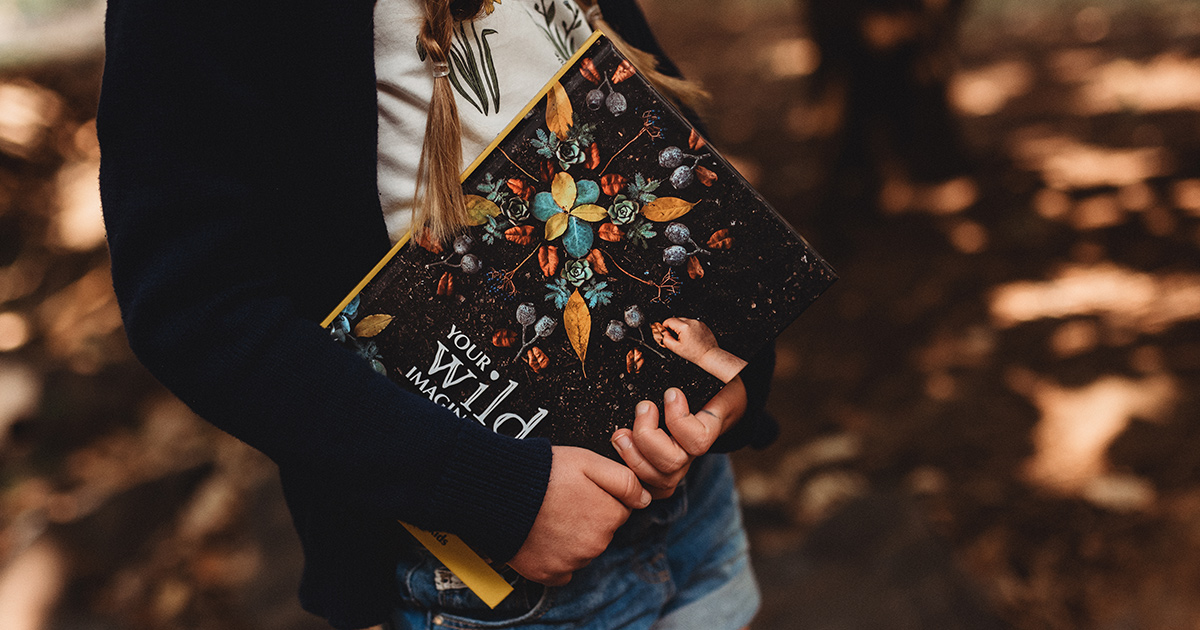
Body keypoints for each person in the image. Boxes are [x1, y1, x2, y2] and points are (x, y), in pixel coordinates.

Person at [97, 0, 778, 628]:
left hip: (691, 499)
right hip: (491, 571)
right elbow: (195, 306)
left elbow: (643, 88)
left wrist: (732, 368)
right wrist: (495, 496)